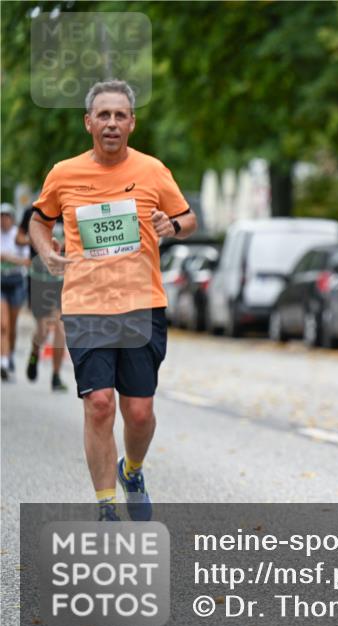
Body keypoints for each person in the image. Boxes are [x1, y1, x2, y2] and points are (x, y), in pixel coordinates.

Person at [29, 80, 197, 521]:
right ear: (88, 123)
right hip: (86, 304)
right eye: (103, 115)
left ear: (132, 122)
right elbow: (38, 220)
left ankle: (133, 470)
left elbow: (187, 216)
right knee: (99, 403)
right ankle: (106, 507)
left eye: (120, 115)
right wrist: (46, 251)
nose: (111, 122)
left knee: (138, 413)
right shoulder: (64, 174)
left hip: (142, 303)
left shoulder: (153, 170)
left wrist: (171, 226)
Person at [18, 207, 68, 391]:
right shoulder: (32, 211)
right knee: (43, 329)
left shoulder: (69, 209)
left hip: (61, 278)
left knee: (61, 327)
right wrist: (41, 243)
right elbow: (19, 237)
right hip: (39, 277)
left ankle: (56, 376)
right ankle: (34, 353)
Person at [1, 202, 31, 381]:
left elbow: (27, 261)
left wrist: (8, 258)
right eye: (1, 217)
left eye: (6, 217)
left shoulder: (17, 236)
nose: (3, 220)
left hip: (16, 282)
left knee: (12, 326)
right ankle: (3, 361)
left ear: (12, 219)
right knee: (2, 324)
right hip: (1, 281)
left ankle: (9, 354)